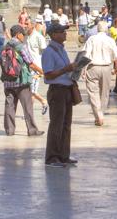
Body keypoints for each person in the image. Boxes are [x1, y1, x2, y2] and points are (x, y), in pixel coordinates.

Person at [41, 21, 77, 168]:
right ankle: (52, 157)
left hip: (66, 88)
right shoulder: (49, 52)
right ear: (54, 35)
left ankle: (64, 155)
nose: (65, 33)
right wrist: (65, 69)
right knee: (56, 124)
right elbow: (48, 74)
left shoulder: (61, 49)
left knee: (66, 124)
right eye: (62, 32)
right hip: (57, 90)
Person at [2, 25, 45, 137]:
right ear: (18, 34)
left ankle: (9, 130)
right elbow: (30, 63)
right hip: (22, 81)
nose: (24, 37)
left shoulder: (5, 46)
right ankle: (32, 130)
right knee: (27, 106)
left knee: (9, 106)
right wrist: (42, 72)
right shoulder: (20, 46)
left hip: (8, 81)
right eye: (22, 35)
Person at [82, 21, 117, 126]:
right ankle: (101, 114)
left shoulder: (91, 39)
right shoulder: (110, 40)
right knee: (104, 93)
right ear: (106, 29)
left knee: (93, 93)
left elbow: (85, 55)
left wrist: (83, 69)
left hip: (92, 67)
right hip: (106, 68)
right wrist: (116, 68)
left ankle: (98, 116)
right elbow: (116, 56)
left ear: (97, 29)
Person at [26, 18, 50, 115]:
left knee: (32, 90)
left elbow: (45, 52)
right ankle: (29, 112)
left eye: (26, 24)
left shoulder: (39, 37)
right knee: (29, 90)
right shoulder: (26, 37)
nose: (25, 26)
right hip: (28, 67)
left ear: (32, 25)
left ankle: (44, 102)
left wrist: (44, 68)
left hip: (36, 68)